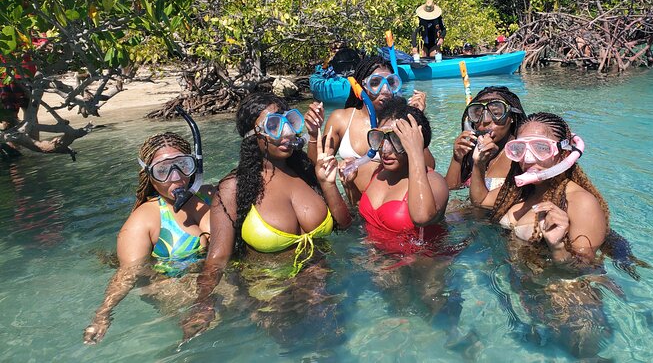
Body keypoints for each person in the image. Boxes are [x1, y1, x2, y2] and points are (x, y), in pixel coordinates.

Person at [182, 92, 351, 340]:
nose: (286, 133)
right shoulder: (233, 188)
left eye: (289, 122)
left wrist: (328, 184)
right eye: (273, 125)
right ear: (253, 137)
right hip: (272, 299)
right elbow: (217, 259)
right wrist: (203, 303)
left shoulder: (305, 173)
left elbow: (344, 225)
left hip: (324, 288)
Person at [474, 112, 616, 356]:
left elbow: (585, 268)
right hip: (528, 289)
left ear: (563, 152)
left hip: (569, 305)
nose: (528, 159)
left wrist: (559, 247)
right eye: (519, 148)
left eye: (541, 148)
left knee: (580, 356)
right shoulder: (519, 191)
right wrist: (478, 164)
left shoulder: (580, 202)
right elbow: (481, 201)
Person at [83, 131, 214, 344]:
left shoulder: (208, 195)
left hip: (213, 283)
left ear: (195, 166)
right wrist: (102, 314)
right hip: (175, 290)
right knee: (201, 334)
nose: (176, 176)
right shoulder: (143, 220)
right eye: (163, 170)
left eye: (183, 165)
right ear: (149, 176)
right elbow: (128, 273)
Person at [305, 56, 434, 203]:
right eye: (375, 83)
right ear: (360, 87)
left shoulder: (401, 120)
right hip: (356, 207)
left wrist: (417, 122)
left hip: (396, 206)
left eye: (391, 82)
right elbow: (317, 169)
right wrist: (313, 134)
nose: (385, 90)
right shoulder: (341, 119)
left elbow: (429, 168)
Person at [348, 97, 449, 251]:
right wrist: (348, 185)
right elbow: (357, 212)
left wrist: (415, 151)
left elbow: (422, 217)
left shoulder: (435, 181)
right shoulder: (376, 172)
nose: (385, 150)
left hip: (419, 268)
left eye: (397, 140)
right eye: (380, 138)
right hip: (375, 264)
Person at [445, 86, 527, 205]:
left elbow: (482, 204)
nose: (486, 120)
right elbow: (450, 190)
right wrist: (457, 158)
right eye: (477, 115)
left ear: (512, 117)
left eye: (496, 113)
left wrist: (480, 164)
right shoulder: (472, 149)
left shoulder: (520, 154)